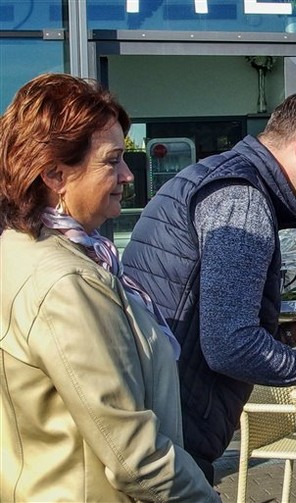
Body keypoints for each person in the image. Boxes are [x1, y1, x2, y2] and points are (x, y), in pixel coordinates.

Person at [122, 92, 296, 482]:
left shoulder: (217, 178)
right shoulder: (242, 199)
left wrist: (286, 332)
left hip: (157, 422)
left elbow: (209, 324)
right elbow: (229, 345)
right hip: (171, 440)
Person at [0, 74, 218, 501]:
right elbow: (135, 457)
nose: (127, 176)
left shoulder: (24, 250)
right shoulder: (66, 281)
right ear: (54, 174)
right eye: (112, 160)